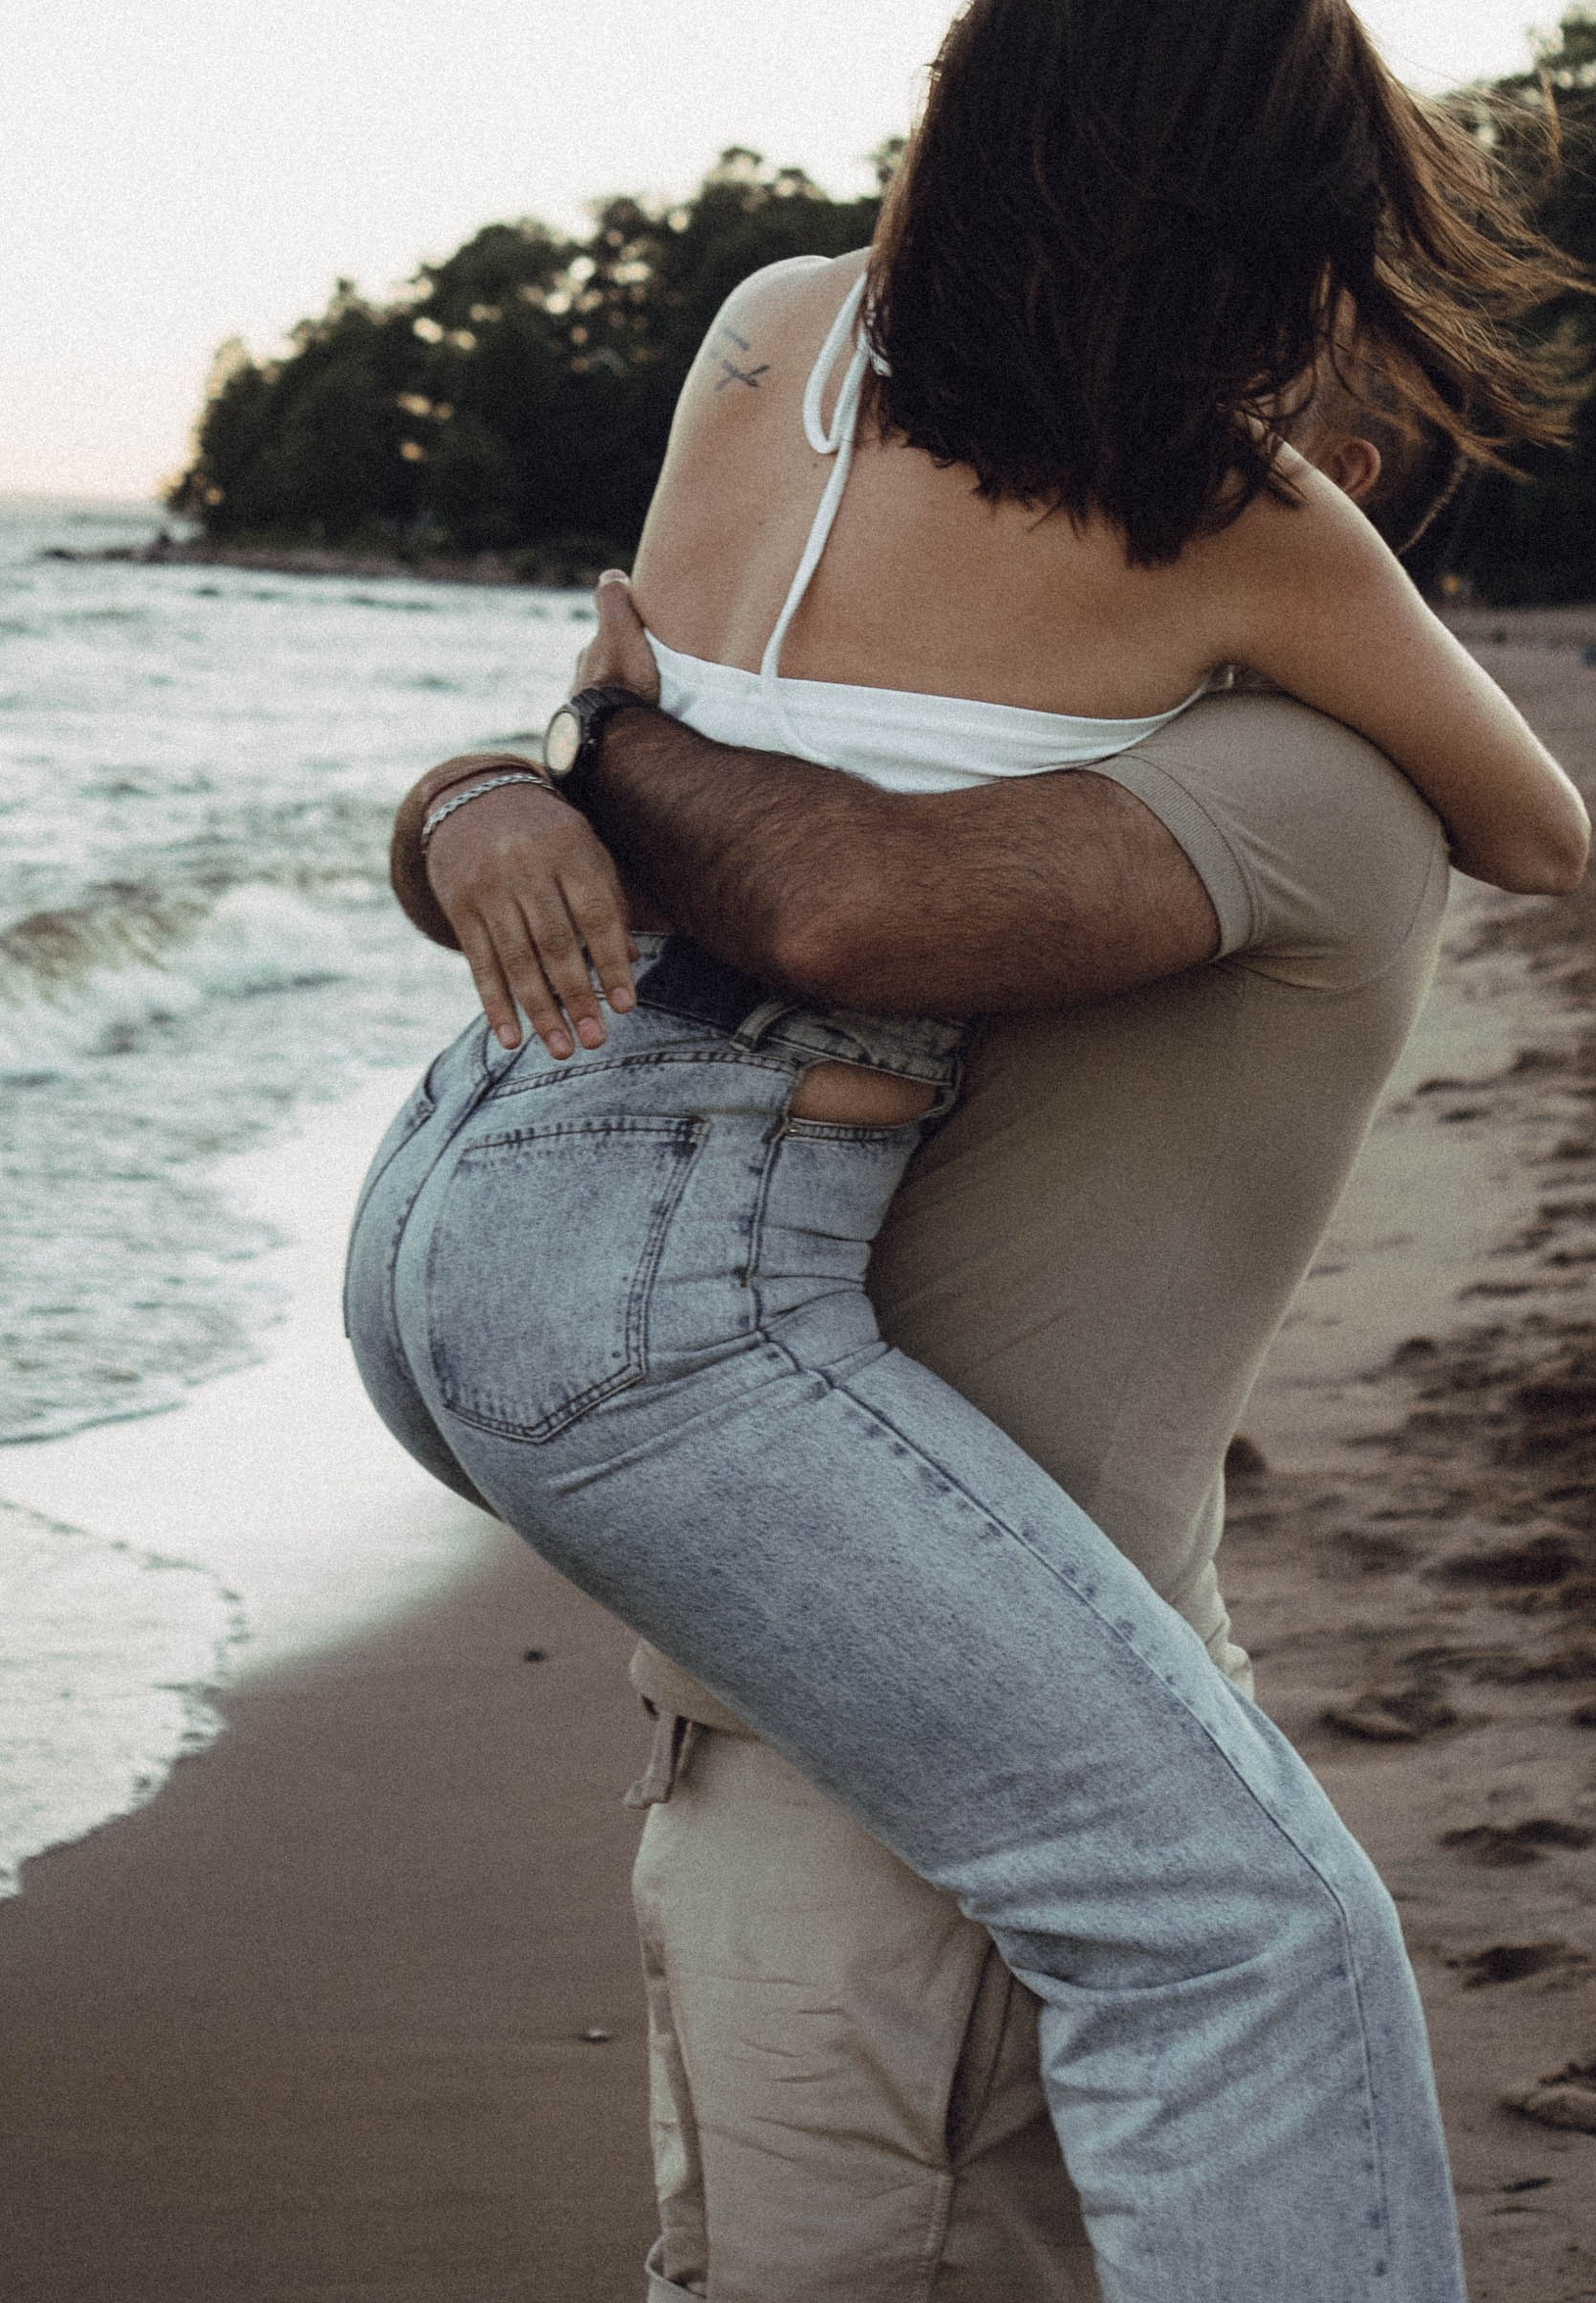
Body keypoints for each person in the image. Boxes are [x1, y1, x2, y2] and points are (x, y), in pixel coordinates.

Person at [344, 0, 1589, 2302]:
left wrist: (548, 751)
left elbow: (665, 734)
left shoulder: (764, 336)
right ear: (1266, 219)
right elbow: (1530, 821)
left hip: (479, 1171)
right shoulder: (1234, 540)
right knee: (1249, 1942)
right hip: (678, 1287)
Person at [390, 380, 1455, 2302]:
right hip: (964, 1699)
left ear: (1326, 488)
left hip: (921, 1806)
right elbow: (638, 894)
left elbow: (819, 893)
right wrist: (483, 796)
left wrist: (593, 733)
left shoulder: (1286, 789)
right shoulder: (1069, 753)